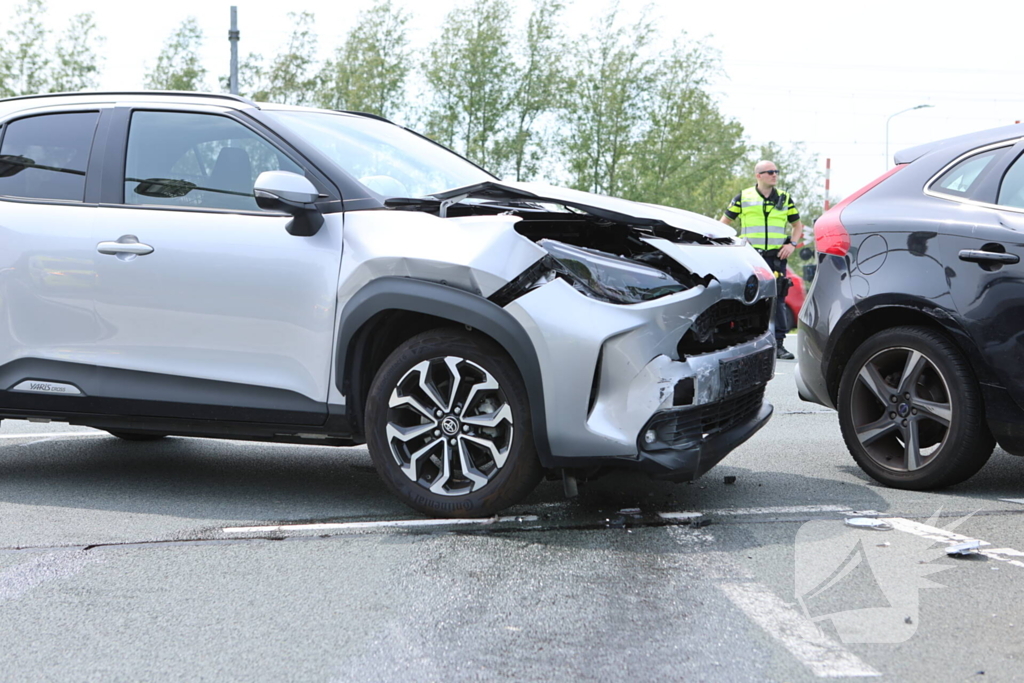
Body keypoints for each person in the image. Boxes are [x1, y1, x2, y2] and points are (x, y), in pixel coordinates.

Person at [720, 160, 805, 360]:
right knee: (748, 299)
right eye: (770, 172)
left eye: (776, 171)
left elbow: (797, 226)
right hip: (751, 257)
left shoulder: (784, 198)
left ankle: (779, 345)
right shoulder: (744, 197)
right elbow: (724, 224)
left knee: (779, 299)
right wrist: (732, 246)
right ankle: (745, 344)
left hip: (776, 257)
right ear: (758, 175)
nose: (774, 175)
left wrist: (791, 245)